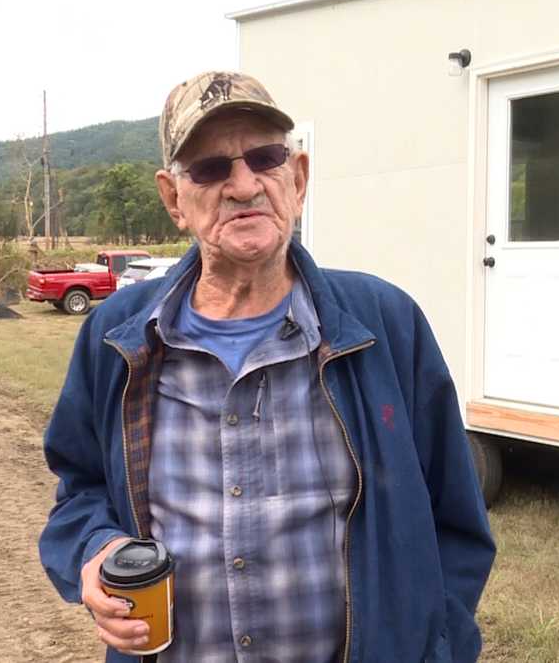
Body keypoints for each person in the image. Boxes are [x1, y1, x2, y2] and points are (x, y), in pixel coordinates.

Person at [39, 70, 495, 662]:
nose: (244, 185)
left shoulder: (386, 324)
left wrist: (440, 650)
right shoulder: (118, 336)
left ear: (297, 178)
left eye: (265, 157)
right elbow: (79, 490)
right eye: (210, 168)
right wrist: (95, 548)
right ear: (174, 198)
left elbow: (457, 525)